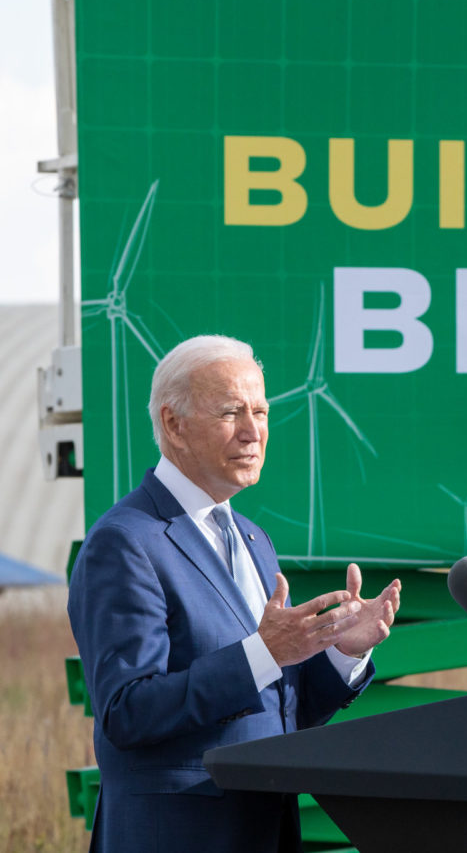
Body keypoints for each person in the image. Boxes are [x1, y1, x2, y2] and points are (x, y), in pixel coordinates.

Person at [67, 335, 401, 853]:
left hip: (265, 829)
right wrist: (265, 653)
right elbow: (127, 712)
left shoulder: (253, 539)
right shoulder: (125, 542)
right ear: (173, 424)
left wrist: (342, 650)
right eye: (231, 413)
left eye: (261, 411)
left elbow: (278, 708)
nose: (254, 431)